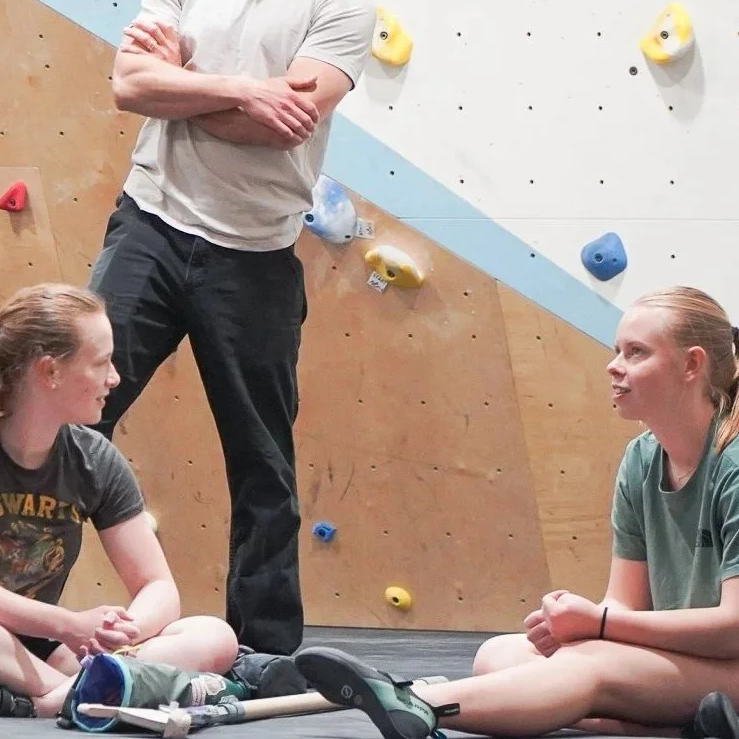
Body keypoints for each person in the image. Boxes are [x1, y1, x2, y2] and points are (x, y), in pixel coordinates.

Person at [88, 0, 376, 655]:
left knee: (262, 466)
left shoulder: (343, 4)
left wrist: (188, 80)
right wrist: (248, 88)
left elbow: (278, 126)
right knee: (68, 424)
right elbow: (128, 89)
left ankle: (265, 654)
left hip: (252, 257)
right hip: (148, 226)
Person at [294, 286, 739, 739]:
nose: (614, 365)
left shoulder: (735, 465)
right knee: (499, 655)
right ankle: (674, 730)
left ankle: (418, 704)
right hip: (690, 666)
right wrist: (576, 625)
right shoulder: (640, 460)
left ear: (691, 365)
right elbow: (624, 603)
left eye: (636, 352)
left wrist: (598, 625)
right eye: (617, 350)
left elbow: (733, 631)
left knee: (590, 664)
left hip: (731, 666)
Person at [0, 283, 240, 717]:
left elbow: (156, 587)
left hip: (41, 654)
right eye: (101, 362)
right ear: (49, 372)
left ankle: (39, 703)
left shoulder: (94, 458)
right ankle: (87, 696)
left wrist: (119, 633)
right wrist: (69, 624)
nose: (114, 378)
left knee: (214, 634)